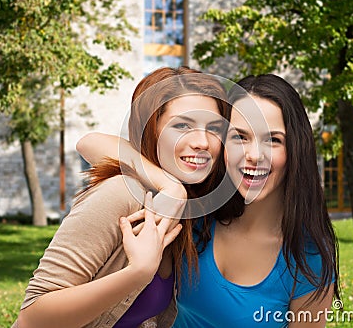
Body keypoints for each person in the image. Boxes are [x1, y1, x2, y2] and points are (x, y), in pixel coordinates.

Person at [77, 74, 340, 327]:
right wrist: (170, 186)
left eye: (273, 140)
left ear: (296, 148)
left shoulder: (308, 257)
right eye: (240, 136)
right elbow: (90, 143)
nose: (254, 155)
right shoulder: (198, 208)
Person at [13, 66, 230, 328]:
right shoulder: (121, 195)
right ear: (152, 130)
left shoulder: (192, 213)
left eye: (214, 128)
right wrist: (136, 273)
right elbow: (32, 317)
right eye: (182, 125)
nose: (202, 142)